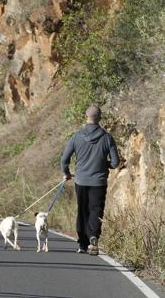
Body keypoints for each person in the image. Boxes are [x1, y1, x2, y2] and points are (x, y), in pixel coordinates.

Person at [61, 104, 120, 255]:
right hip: (98, 182)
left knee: (82, 210)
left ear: (86, 117)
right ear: (99, 119)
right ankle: (93, 236)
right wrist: (103, 163)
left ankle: (82, 244)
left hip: (80, 180)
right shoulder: (107, 138)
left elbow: (64, 159)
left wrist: (67, 173)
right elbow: (115, 163)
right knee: (96, 210)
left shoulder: (76, 136)